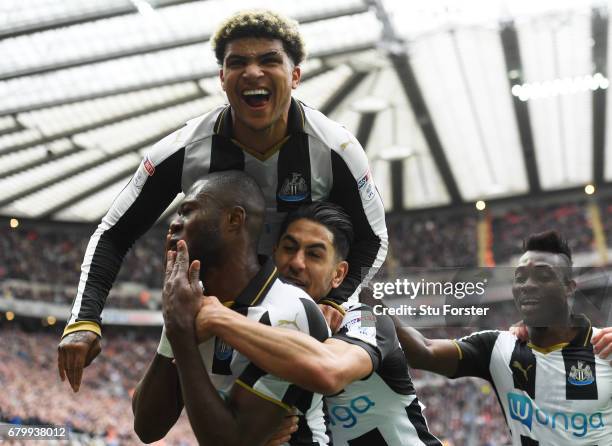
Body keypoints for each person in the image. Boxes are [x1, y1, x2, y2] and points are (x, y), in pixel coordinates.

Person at [58, 9, 388, 392]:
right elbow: (114, 232)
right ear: (222, 79)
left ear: (295, 76)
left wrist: (335, 299)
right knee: (163, 423)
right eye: (238, 63)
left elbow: (374, 237)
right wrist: (84, 318)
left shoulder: (336, 149)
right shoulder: (183, 150)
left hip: (303, 316)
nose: (252, 72)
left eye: (268, 60)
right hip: (211, 309)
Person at [195, 202, 441, 446]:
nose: (297, 263)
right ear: (273, 255)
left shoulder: (366, 318)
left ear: (338, 274)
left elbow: (328, 371)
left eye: (314, 254)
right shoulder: (266, 330)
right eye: (289, 248)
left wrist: (219, 318)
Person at [132, 171, 330, 445]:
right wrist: (174, 328)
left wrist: (181, 334)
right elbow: (147, 428)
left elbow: (230, 442)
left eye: (187, 212)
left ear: (234, 220)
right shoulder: (189, 305)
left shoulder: (289, 311)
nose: (174, 224)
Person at [371, 231, 611, 445]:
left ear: (569, 287)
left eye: (542, 276)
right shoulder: (497, 347)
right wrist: (370, 301)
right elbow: (423, 351)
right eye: (520, 277)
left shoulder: (605, 348)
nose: (527, 285)